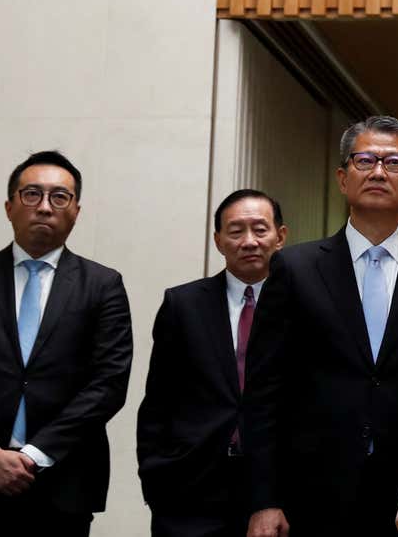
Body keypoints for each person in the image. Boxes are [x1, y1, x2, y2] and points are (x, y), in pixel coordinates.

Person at [243, 116, 398, 537]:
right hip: (312, 491)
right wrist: (264, 500)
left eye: (394, 163)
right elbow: (264, 391)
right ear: (342, 178)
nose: (378, 171)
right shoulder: (295, 268)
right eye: (364, 160)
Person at [0, 150, 133, 536]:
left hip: (62, 483)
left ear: (76, 211)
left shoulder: (103, 286)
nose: (45, 207)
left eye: (59, 196)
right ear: (9, 206)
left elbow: (109, 383)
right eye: (32, 194)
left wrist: (34, 455)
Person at [137, 189, 288, 536]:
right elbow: (159, 401)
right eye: (236, 231)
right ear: (219, 241)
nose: (249, 241)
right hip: (189, 492)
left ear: (280, 237)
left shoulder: (303, 306)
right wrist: (156, 478)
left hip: (273, 494)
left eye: (260, 229)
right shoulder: (183, 304)